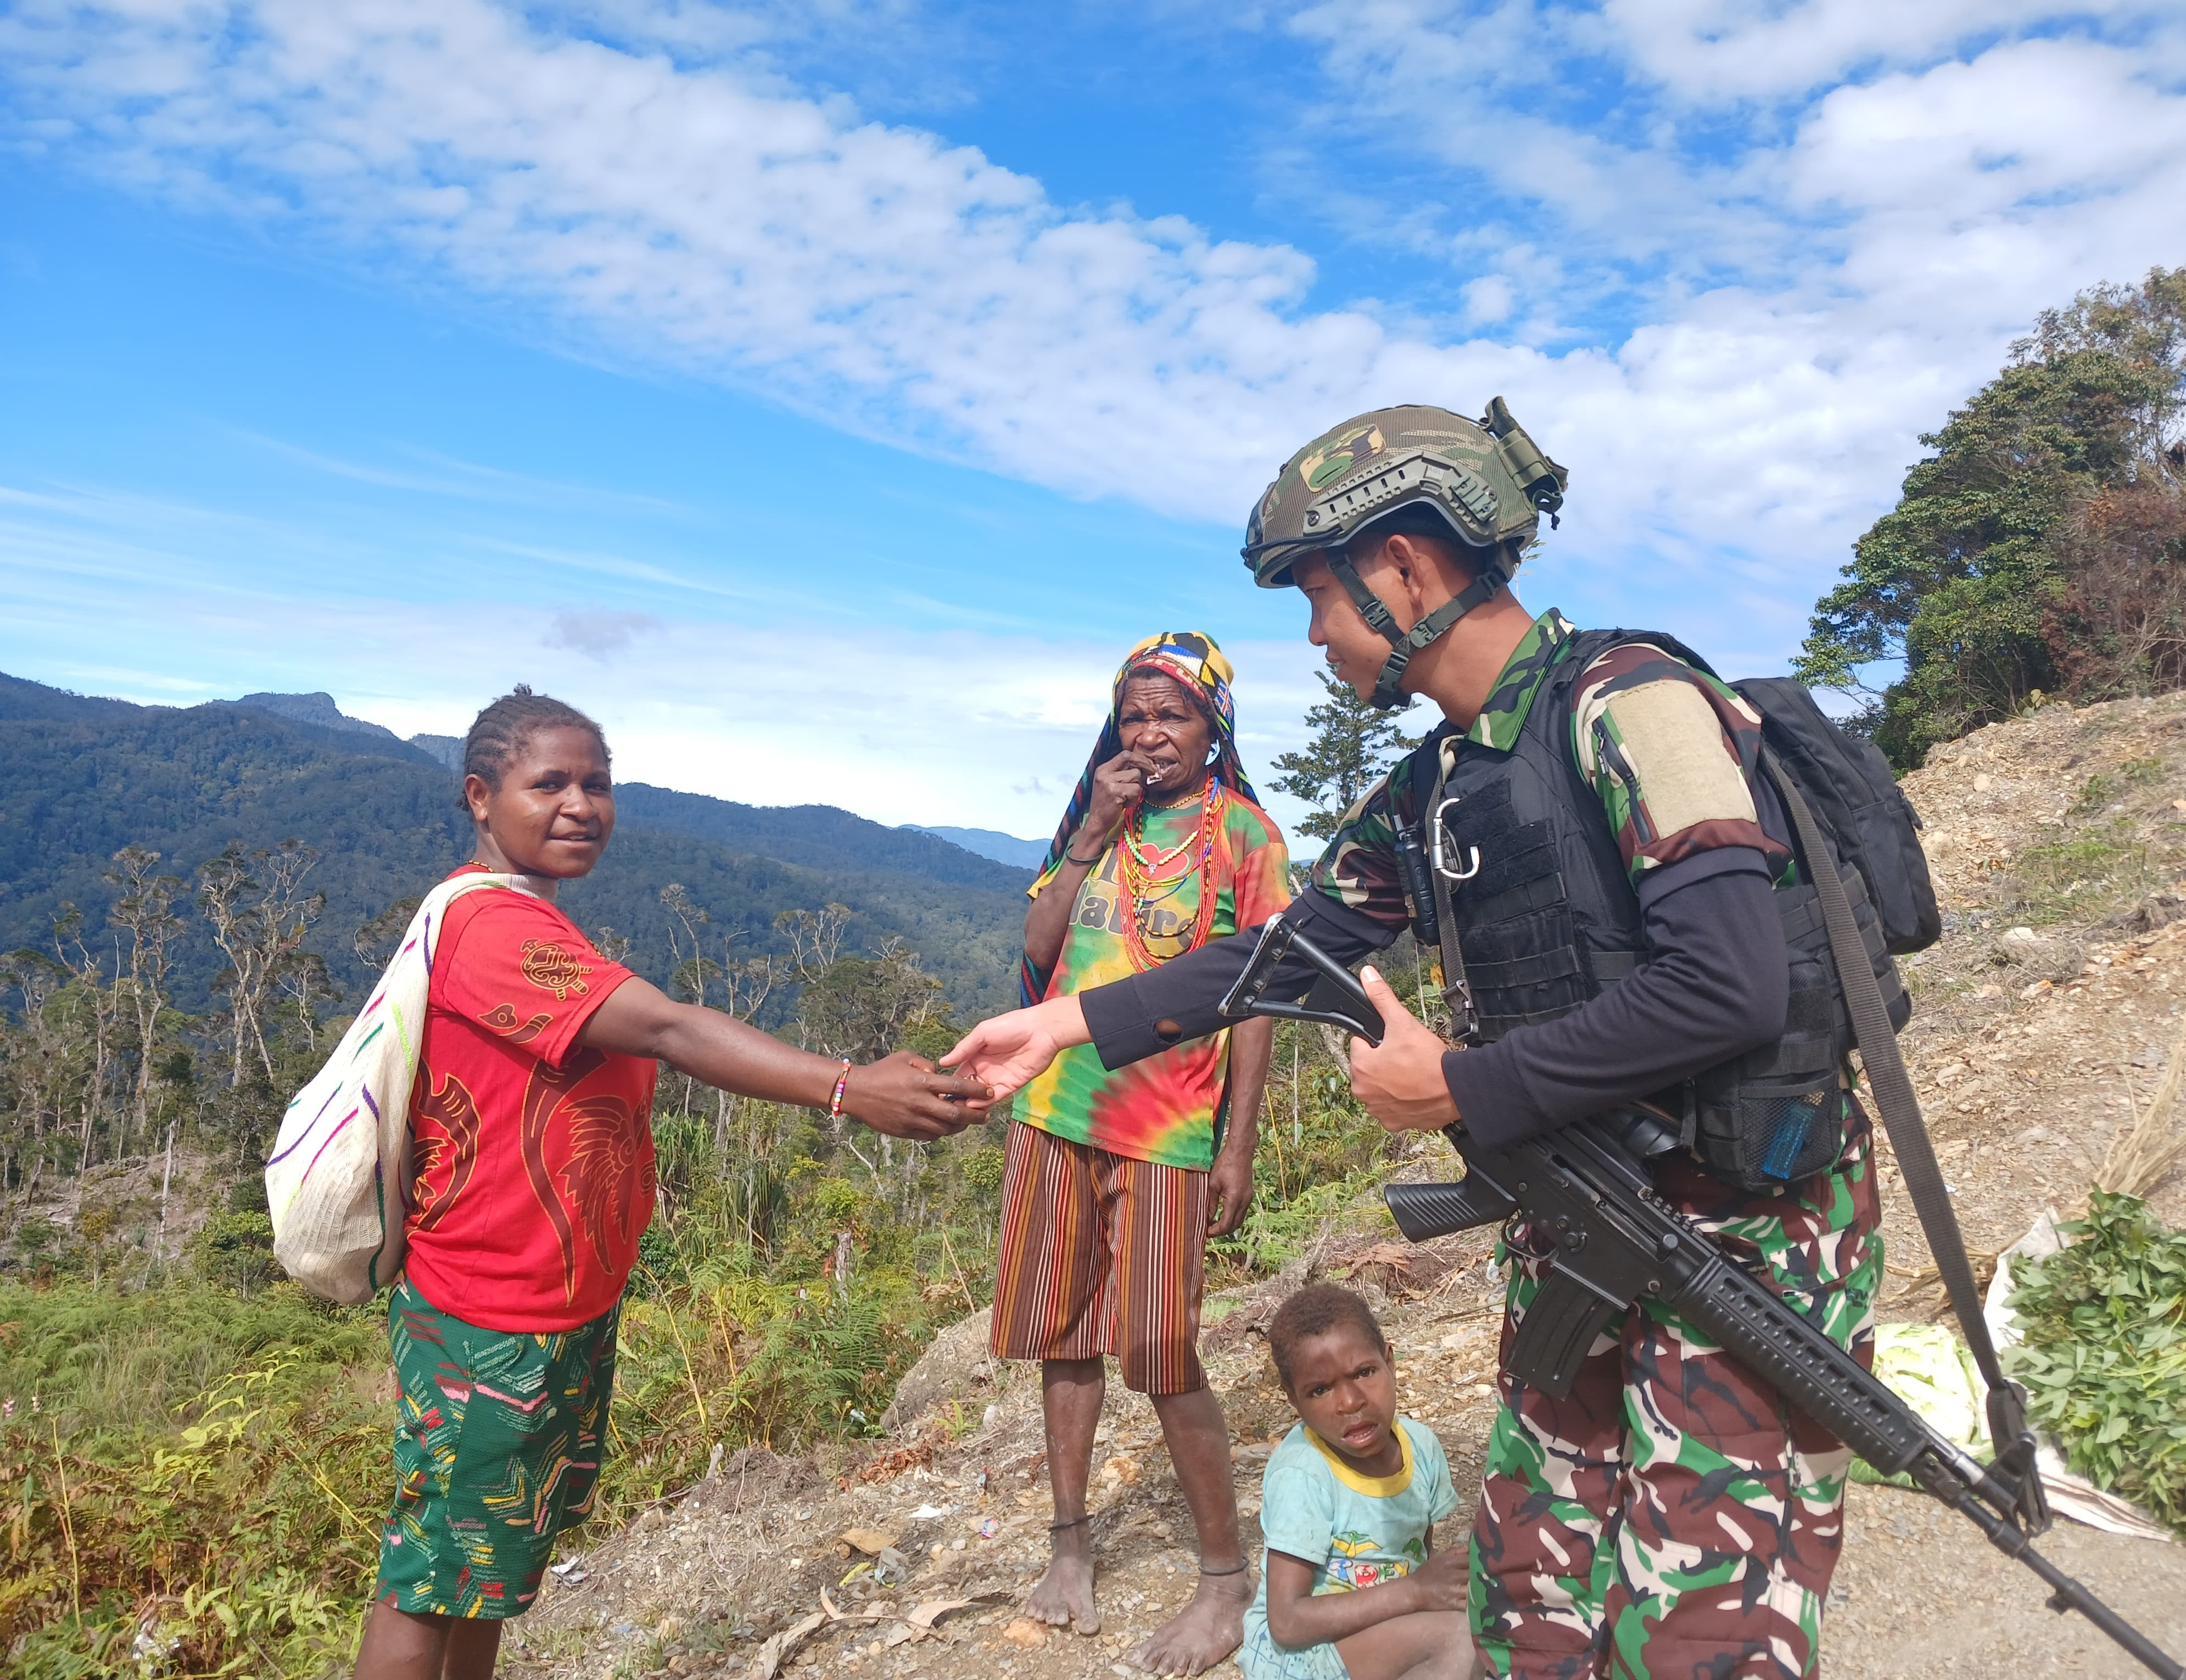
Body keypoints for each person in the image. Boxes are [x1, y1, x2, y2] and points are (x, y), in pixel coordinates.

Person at [947, 404, 1885, 1679]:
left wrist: (1453, 1083)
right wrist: (1063, 1020)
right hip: (1583, 1234)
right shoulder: (1436, 782)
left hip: (1737, 1236)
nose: (1318, 640)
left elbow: (1727, 987)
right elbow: (1294, 945)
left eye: (1320, 602)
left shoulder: (1632, 705)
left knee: (1701, 1632)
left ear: (1403, 569)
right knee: (1533, 1601)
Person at [356, 685, 987, 1680]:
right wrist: (846, 1087)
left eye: (596, 783)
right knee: (430, 1576)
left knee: (491, 1566)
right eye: (548, 783)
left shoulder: (538, 923)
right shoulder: (491, 930)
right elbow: (667, 1028)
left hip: (555, 1307)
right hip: (490, 1312)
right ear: (481, 797)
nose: (579, 805)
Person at [996, 631, 1289, 1675]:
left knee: (1161, 1350)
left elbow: (1256, 1001)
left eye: (1172, 715)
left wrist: (1235, 1146)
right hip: (1056, 1113)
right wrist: (1089, 836)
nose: (1151, 733)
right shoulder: (1097, 823)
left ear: (1215, 728)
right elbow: (1036, 957)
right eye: (1135, 716)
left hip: (1168, 1130)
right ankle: (1070, 1542)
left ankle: (1222, 1577)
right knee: (1063, 1339)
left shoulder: (1247, 837)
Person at [1246, 1284, 1470, 1680]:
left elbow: (1416, 1552)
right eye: (1319, 1390)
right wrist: (1416, 1592)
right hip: (1301, 1655)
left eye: (1364, 1373)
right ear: (1294, 1400)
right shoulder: (1303, 1475)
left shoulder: (1421, 1448)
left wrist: (1437, 1586)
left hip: (1376, 1628)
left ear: (1390, 1362)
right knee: (1460, 1641)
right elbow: (1288, 1622)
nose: (1350, 1402)